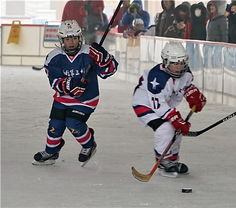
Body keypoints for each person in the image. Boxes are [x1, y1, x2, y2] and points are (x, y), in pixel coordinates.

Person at [32, 20, 119, 166]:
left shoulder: (89, 53)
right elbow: (54, 81)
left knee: (73, 122)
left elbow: (107, 72)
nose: (71, 42)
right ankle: (51, 151)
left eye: (74, 38)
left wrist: (104, 59)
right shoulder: (54, 56)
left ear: (80, 38)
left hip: (86, 99)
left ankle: (89, 145)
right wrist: (70, 85)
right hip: (62, 98)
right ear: (61, 40)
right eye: (67, 39)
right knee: (55, 125)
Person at [132, 42, 206, 177]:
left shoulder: (186, 73)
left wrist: (194, 96)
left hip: (164, 104)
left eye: (182, 63)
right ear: (165, 62)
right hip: (145, 104)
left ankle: (172, 161)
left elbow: (186, 86)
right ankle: (163, 161)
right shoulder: (157, 77)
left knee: (176, 129)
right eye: (174, 63)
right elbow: (158, 105)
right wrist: (175, 119)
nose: (179, 67)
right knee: (166, 128)